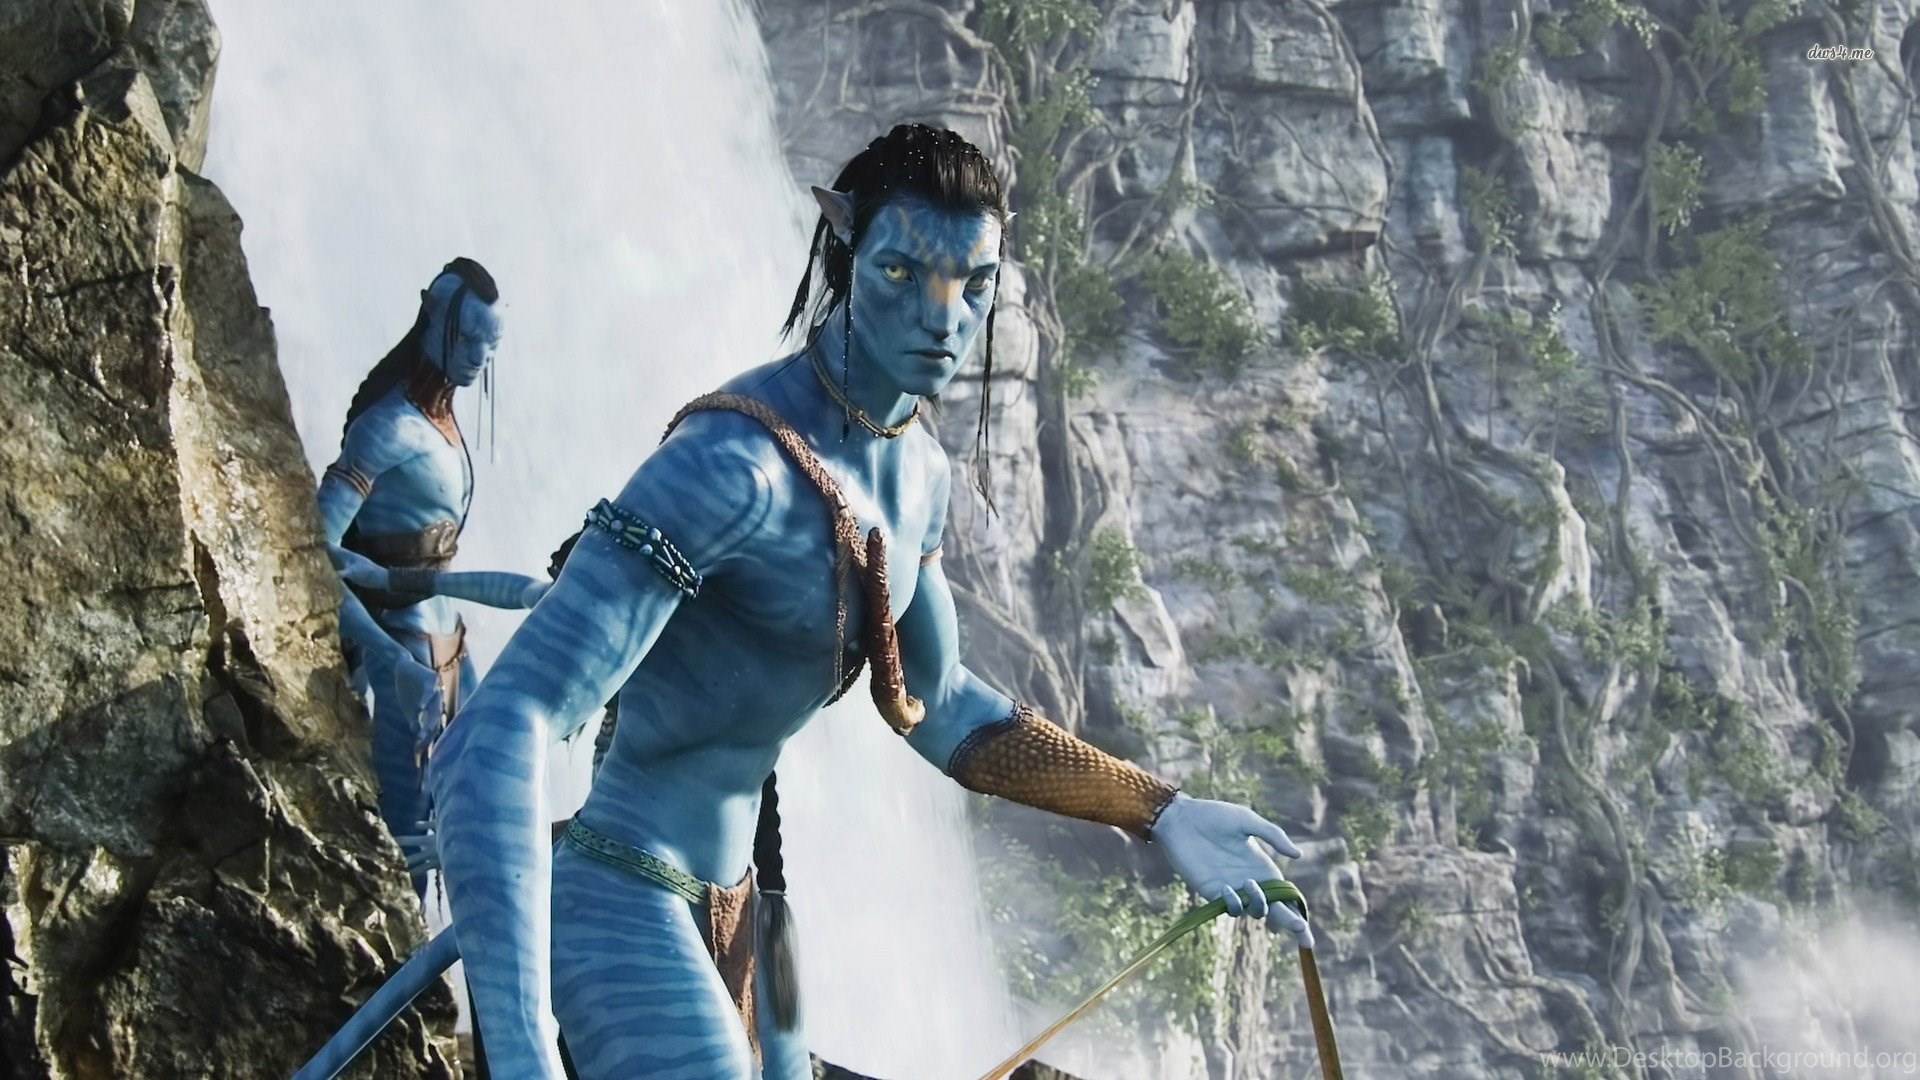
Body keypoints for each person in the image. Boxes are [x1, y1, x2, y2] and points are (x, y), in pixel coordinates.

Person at [427, 125, 1313, 1080]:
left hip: (756, 911)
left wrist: (1158, 809)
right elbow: (503, 725)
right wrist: (522, 1050)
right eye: (902, 272)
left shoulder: (919, 477)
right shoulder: (731, 466)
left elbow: (944, 706)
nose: (943, 318)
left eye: (974, 285)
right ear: (845, 249)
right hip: (620, 885)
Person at [314, 257, 551, 897]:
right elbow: (313, 552)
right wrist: (387, 655)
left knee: (469, 806)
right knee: (408, 830)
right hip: (406, 650)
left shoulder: (440, 423)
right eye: (468, 339)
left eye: (490, 346)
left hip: (448, 642)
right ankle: (396, 947)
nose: (478, 358)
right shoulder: (387, 428)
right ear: (432, 316)